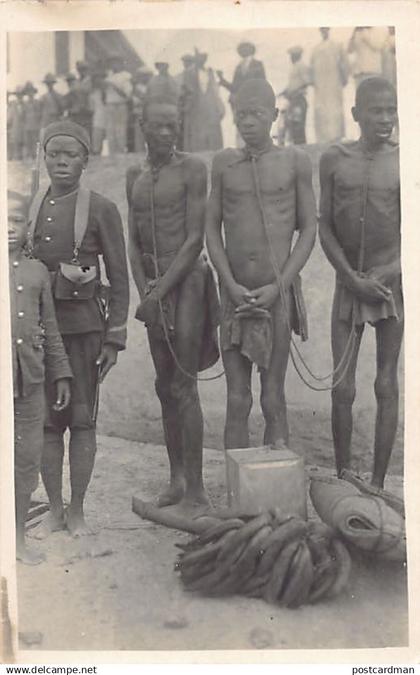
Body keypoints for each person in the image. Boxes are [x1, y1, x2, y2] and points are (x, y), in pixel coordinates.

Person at [27, 120, 130, 537]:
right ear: (45, 157)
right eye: (55, 154)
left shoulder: (101, 208)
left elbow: (120, 278)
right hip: (40, 334)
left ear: (85, 161)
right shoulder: (33, 206)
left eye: (71, 155)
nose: (62, 162)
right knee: (49, 424)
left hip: (85, 331)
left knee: (83, 421)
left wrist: (114, 339)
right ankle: (54, 509)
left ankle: (79, 510)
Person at [206, 79, 316, 449]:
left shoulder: (294, 161)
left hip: (276, 296)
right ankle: (239, 493)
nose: (248, 122)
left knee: (273, 397)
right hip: (233, 296)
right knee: (237, 399)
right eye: (241, 115)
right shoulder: (223, 163)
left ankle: (273, 495)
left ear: (274, 114)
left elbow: (308, 229)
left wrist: (280, 286)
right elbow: (211, 229)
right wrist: (230, 284)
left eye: (256, 114)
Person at [126, 94, 220, 512]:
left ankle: (197, 491)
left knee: (184, 384)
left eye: (173, 124)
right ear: (142, 125)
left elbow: (195, 239)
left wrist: (159, 292)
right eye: (158, 125)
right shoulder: (135, 175)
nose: (167, 132)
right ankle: (177, 480)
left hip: (188, 282)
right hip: (153, 287)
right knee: (164, 386)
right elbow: (133, 240)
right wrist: (144, 291)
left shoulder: (194, 169)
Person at [318, 77, 402, 491]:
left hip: (391, 286)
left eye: (391, 109)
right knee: (342, 385)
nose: (386, 119)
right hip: (348, 284)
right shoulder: (335, 158)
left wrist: (390, 271)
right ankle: (343, 476)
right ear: (356, 114)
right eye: (376, 110)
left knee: (386, 381)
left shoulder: (407, 158)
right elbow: (325, 226)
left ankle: (379, 483)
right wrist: (349, 277)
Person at [8, 190, 72, 564]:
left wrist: (60, 373)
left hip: (29, 384)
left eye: (16, 221)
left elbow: (50, 329)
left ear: (28, 226)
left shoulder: (37, 274)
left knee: (26, 460)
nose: (9, 229)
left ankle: (18, 540)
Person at [217, 41, 266, 148]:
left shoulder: (258, 64)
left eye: (245, 48)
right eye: (241, 49)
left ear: (251, 50)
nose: (242, 51)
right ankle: (242, 150)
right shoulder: (238, 67)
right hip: (240, 103)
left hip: (254, 102)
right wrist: (222, 80)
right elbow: (234, 87)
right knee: (241, 128)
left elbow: (262, 84)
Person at [310, 27, 349, 143]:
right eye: (322, 30)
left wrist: (343, 79)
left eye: (325, 30)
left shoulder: (337, 46)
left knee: (334, 108)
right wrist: (314, 82)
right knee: (323, 108)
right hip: (321, 85)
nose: (324, 32)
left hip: (334, 83)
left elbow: (344, 64)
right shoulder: (316, 49)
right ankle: (324, 137)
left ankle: (336, 135)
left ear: (328, 31)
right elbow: (311, 69)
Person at [182, 50, 224, 152]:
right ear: (196, 59)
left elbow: (215, 90)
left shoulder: (209, 72)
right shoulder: (189, 72)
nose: (202, 60)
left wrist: (220, 106)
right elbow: (187, 90)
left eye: (204, 58)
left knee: (212, 132)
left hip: (210, 106)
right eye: (200, 57)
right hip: (196, 106)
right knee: (197, 133)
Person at [281, 46, 311, 145]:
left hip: (299, 99)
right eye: (291, 56)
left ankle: (302, 148)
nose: (291, 58)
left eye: (293, 56)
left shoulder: (302, 66)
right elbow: (291, 85)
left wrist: (295, 91)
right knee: (292, 126)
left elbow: (306, 82)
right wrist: (284, 92)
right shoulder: (294, 67)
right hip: (293, 100)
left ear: (298, 56)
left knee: (298, 126)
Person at [104, 55, 132, 154]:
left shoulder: (125, 75)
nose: (113, 65)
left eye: (115, 62)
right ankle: (112, 153)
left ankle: (120, 152)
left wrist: (113, 86)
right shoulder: (108, 75)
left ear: (120, 63)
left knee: (120, 129)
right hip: (109, 105)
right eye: (111, 62)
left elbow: (127, 95)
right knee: (110, 130)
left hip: (120, 105)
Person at [23, 82, 41, 160]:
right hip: (27, 126)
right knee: (28, 142)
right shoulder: (25, 103)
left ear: (33, 92)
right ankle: (29, 157)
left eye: (31, 91)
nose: (30, 93)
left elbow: (40, 114)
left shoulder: (37, 102)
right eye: (28, 92)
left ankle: (36, 157)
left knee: (35, 141)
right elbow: (23, 115)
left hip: (35, 125)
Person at [8, 86, 26, 161]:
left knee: (22, 141)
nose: (19, 96)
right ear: (16, 95)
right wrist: (9, 123)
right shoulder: (13, 104)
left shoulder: (25, 104)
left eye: (21, 94)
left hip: (23, 125)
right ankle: (14, 157)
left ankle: (21, 157)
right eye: (18, 94)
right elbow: (10, 115)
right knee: (15, 141)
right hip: (15, 125)